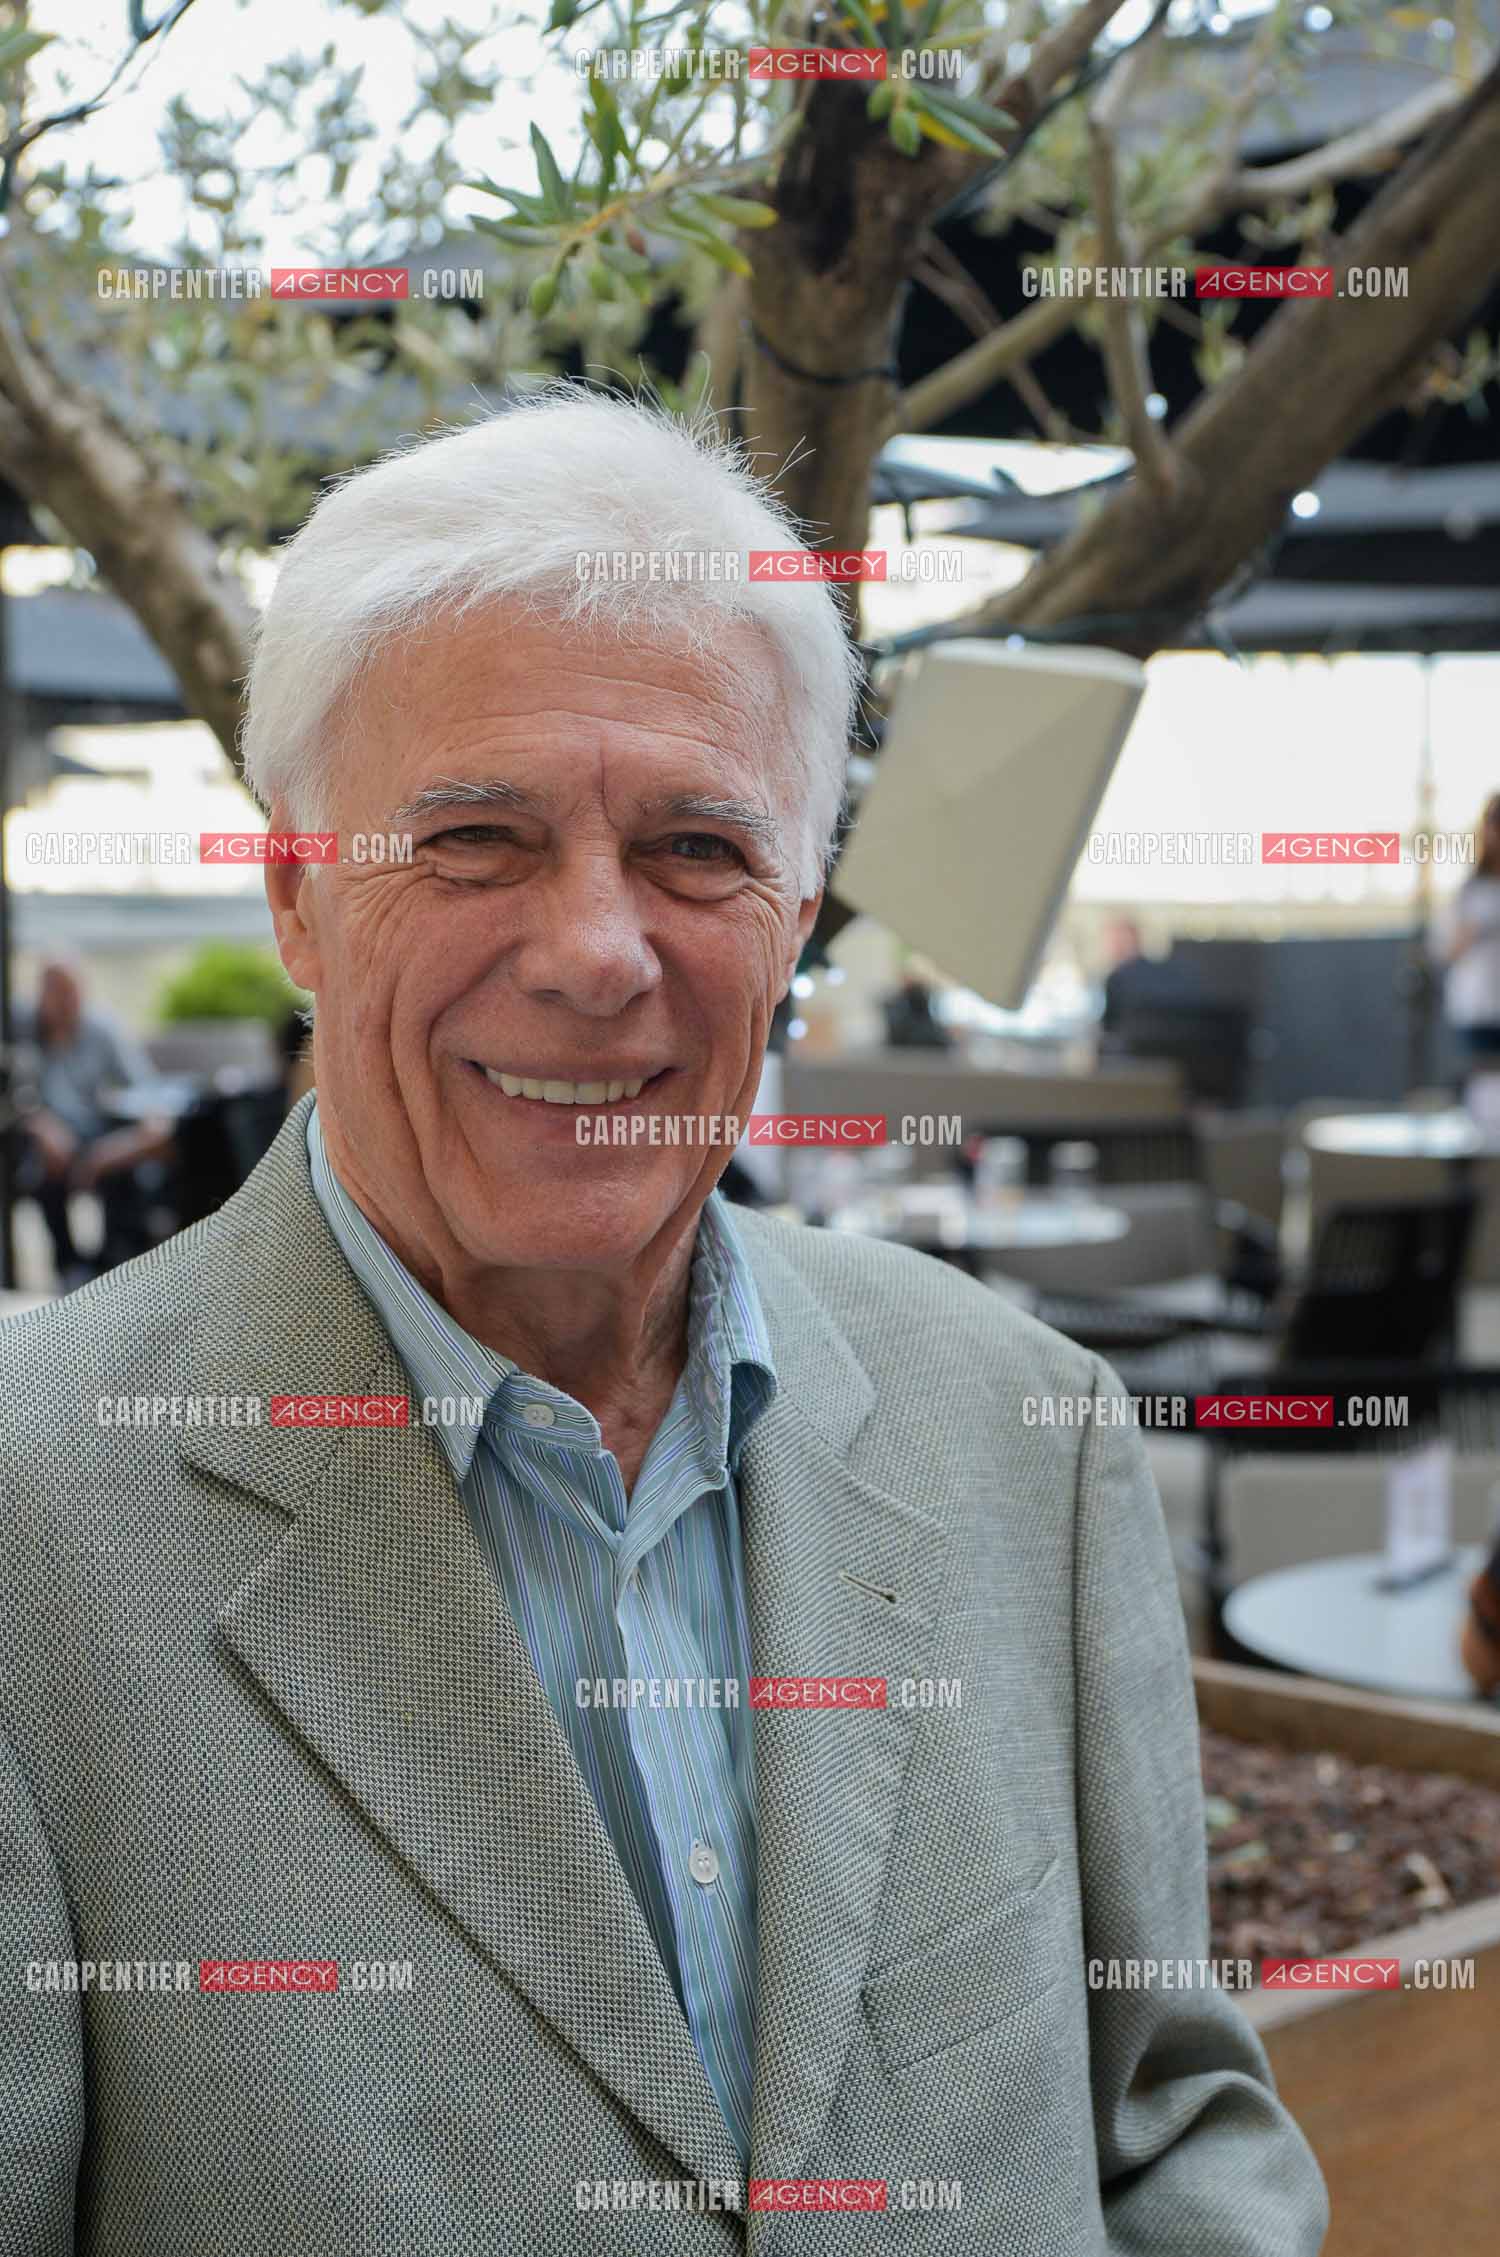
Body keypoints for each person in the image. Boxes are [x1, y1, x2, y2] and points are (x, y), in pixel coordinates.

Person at [0, 386, 1328, 2256]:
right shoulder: (32, 1520)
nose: (598, 952)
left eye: (700, 848)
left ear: (793, 914)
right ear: (298, 897)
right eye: (474, 837)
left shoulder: (1029, 1426)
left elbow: (1175, 2117)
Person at [10, 957, 175, 1285]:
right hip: (44, 1138)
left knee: (125, 1169)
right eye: (55, 993)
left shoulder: (102, 1030)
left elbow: (145, 1090)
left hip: (94, 1134)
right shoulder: (19, 1028)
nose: (64, 1004)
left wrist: (113, 1149)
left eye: (71, 993)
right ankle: (67, 1266)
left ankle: (112, 1264)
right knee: (40, 1168)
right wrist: (41, 1125)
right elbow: (15, 1095)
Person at [1429, 794, 1500, 1079]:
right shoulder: (1469, 892)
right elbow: (1443, 950)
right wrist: (1471, 932)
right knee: (1485, 1092)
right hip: (1480, 1010)